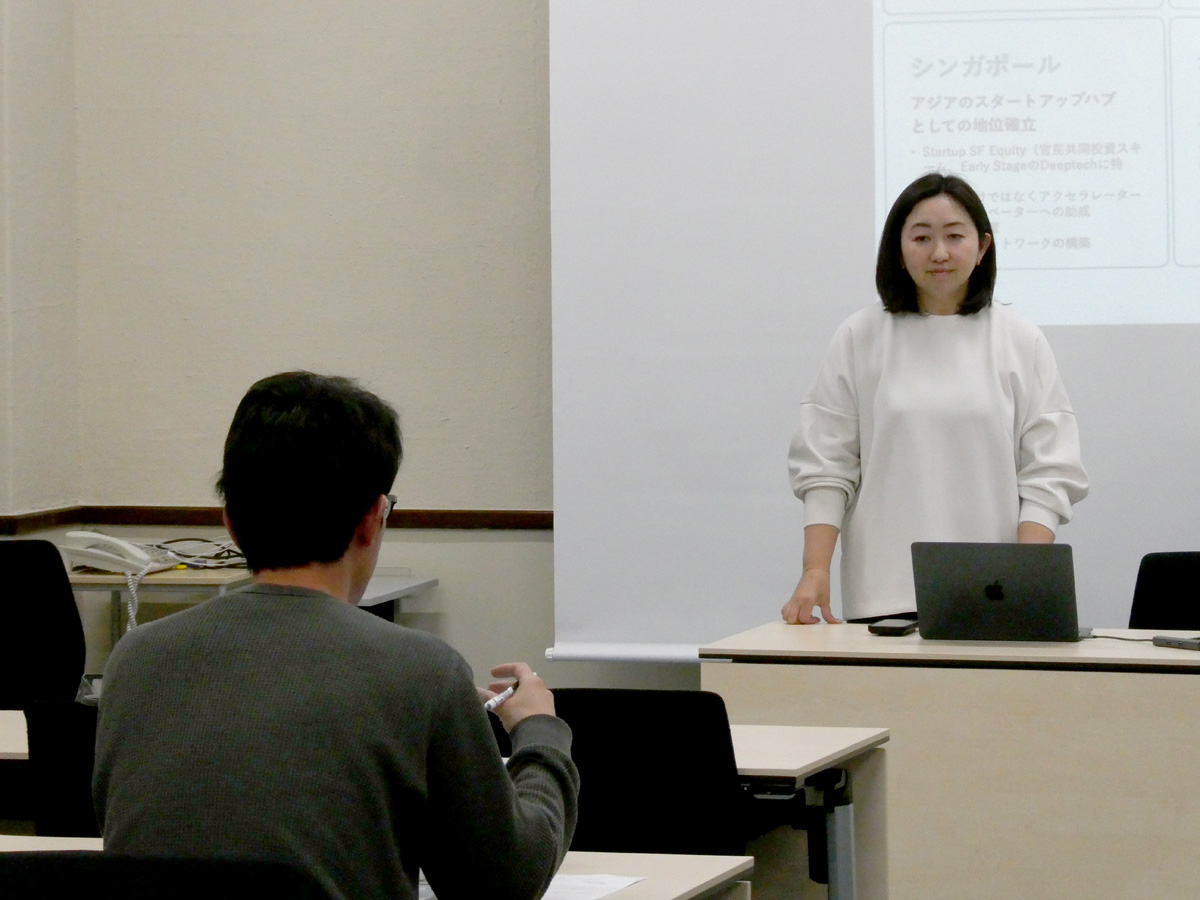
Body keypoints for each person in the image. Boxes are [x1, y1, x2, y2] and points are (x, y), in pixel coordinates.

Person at [92, 372, 579, 900]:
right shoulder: (423, 672)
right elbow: (505, 885)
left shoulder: (135, 659)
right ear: (372, 519)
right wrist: (539, 733)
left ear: (229, 522)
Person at [782, 173, 1089, 625]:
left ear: (982, 247)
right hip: (883, 595)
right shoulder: (860, 336)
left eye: (954, 236)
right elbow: (826, 464)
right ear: (898, 250)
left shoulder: (1020, 340)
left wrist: (1023, 577)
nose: (939, 253)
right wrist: (815, 570)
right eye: (922, 237)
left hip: (996, 594)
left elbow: (1050, 471)